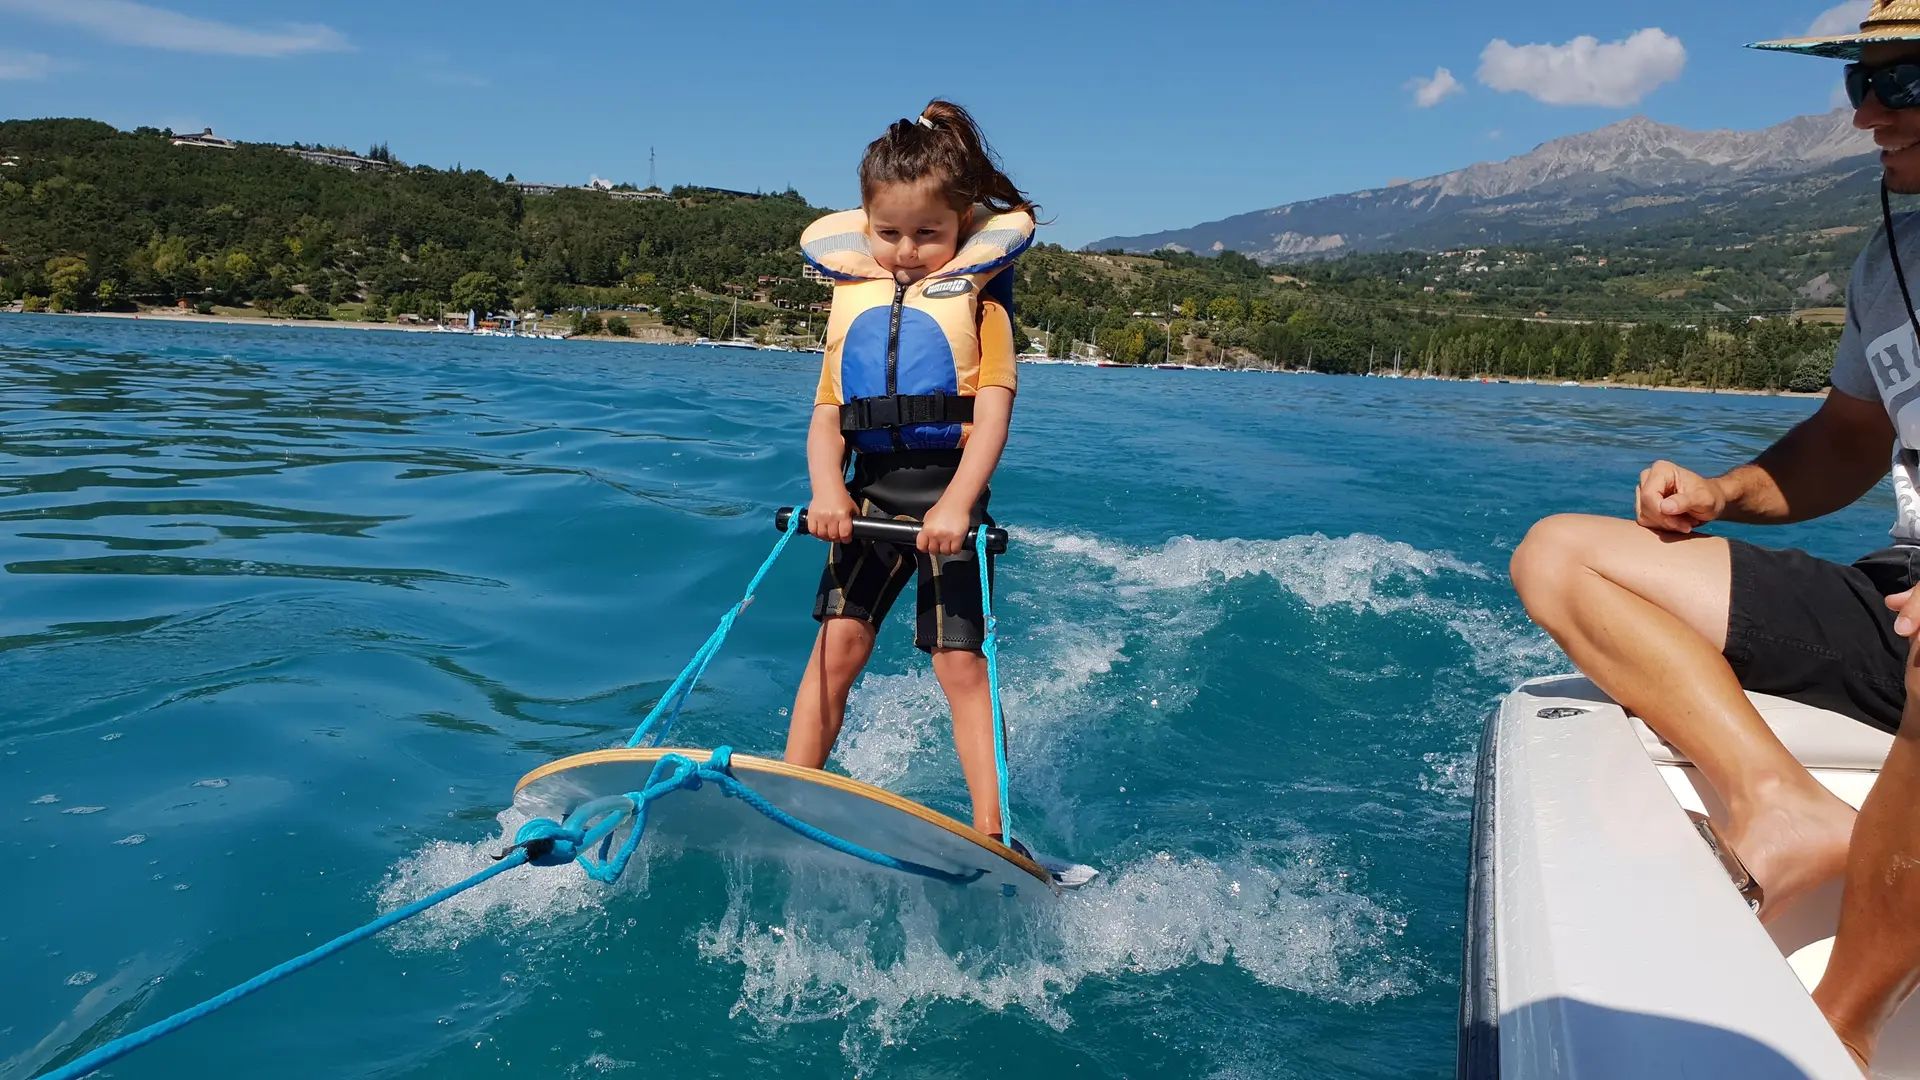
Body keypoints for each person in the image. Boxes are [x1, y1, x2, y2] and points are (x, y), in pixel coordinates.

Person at [1511, 2, 1920, 1067]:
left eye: (1905, 82)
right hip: (1898, 594)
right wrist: (1721, 492)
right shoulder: (1889, 265)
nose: (1869, 112)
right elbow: (1849, 437)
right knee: (1559, 556)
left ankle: (1841, 1032)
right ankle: (1778, 803)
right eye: (1861, 81)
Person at [782, 100, 1036, 846]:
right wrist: (828, 491)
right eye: (888, 232)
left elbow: (992, 415)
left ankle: (993, 833)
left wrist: (958, 505)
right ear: (865, 225)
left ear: (961, 226)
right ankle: (791, 794)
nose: (905, 251)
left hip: (948, 496)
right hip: (866, 494)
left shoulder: (983, 305)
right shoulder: (852, 302)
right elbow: (827, 415)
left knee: (959, 665)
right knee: (837, 645)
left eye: (928, 233)